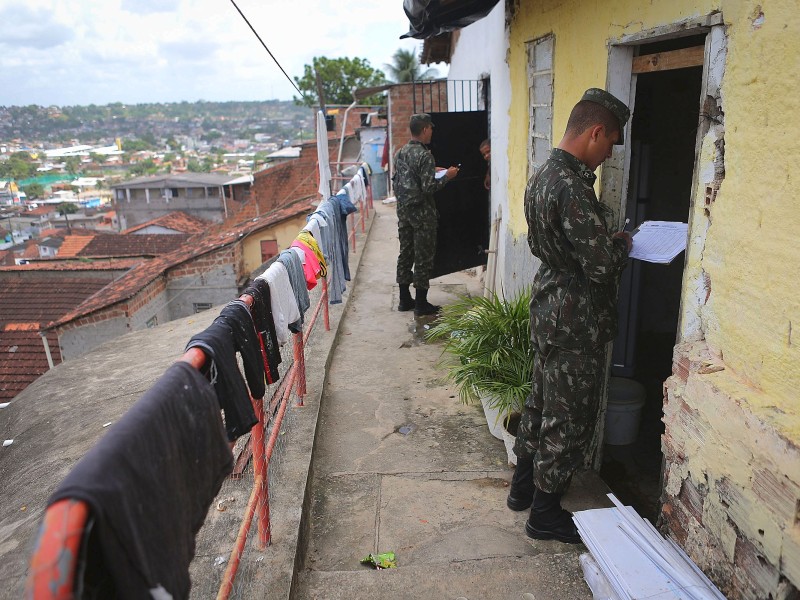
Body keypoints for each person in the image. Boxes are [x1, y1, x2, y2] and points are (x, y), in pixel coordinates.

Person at [508, 88, 633, 544]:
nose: (610, 153)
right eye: (612, 142)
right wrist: (621, 245)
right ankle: (544, 515)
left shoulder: (543, 174)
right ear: (595, 132)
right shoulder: (573, 187)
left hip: (549, 307)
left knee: (540, 404)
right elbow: (600, 266)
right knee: (567, 418)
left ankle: (522, 491)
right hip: (574, 317)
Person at [392, 113, 459, 316]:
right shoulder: (424, 155)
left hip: (404, 211)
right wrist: (447, 176)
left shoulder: (401, 153)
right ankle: (421, 304)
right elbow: (429, 187)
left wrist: (432, 170)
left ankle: (405, 299)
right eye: (430, 128)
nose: (432, 131)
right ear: (424, 130)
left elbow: (410, 178)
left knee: (405, 253)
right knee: (423, 257)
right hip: (422, 214)